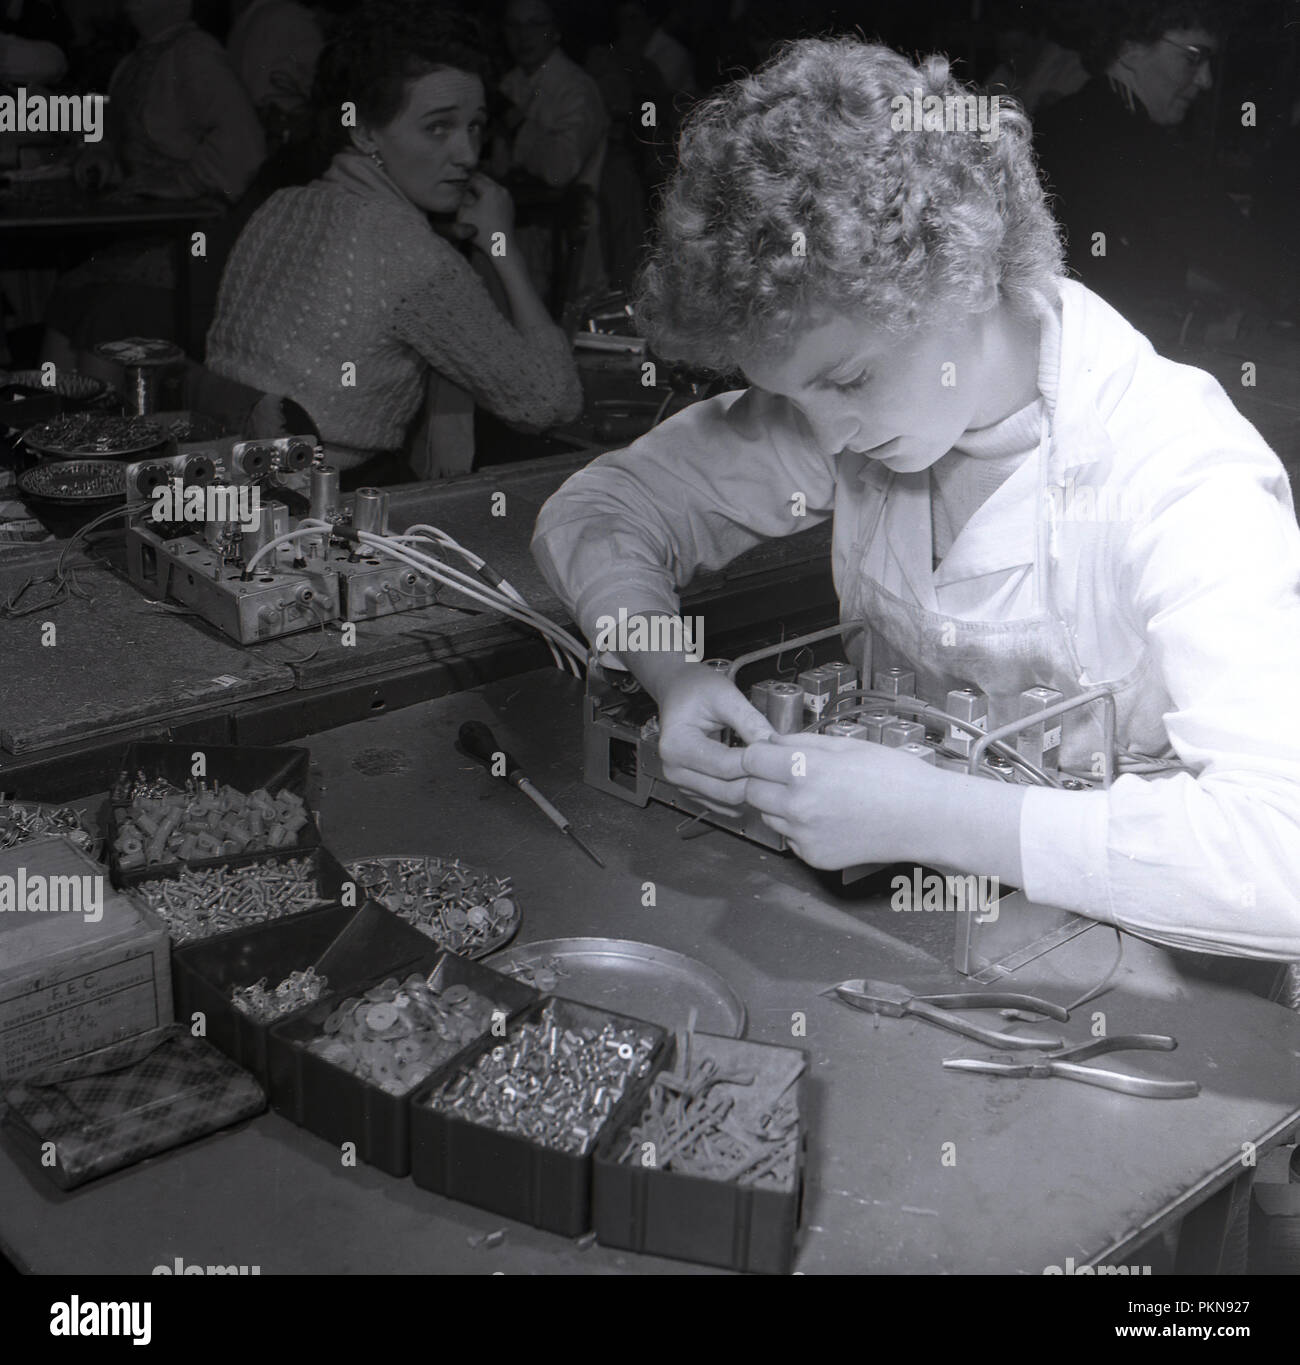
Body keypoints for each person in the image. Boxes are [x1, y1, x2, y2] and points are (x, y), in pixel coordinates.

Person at [531, 37, 1300, 961]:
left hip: (1144, 978)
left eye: (849, 380)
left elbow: (1279, 854)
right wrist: (673, 672)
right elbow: (596, 509)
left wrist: (941, 817)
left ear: (962, 268)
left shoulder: (1180, 471)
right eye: (795, 395)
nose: (829, 436)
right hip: (897, 950)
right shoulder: (838, 415)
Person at [206, 3, 581, 485]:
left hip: (230, 483)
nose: (467, 154)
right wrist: (503, 246)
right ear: (363, 131)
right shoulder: (412, 256)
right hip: (324, 505)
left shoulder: (281, 205)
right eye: (438, 127)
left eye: (475, 125)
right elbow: (551, 402)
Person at [40, 0, 265, 364]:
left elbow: (247, 150)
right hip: (151, 237)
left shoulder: (195, 54)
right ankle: (57, 419)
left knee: (106, 310)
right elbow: (117, 140)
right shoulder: (135, 61)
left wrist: (181, 182)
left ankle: (107, 419)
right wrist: (101, 157)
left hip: (200, 245)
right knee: (68, 298)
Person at [1034, 1, 1288, 320]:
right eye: (1193, 58)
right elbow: (1247, 259)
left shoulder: (1055, 122)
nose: (1206, 80)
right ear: (1130, 48)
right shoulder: (1139, 145)